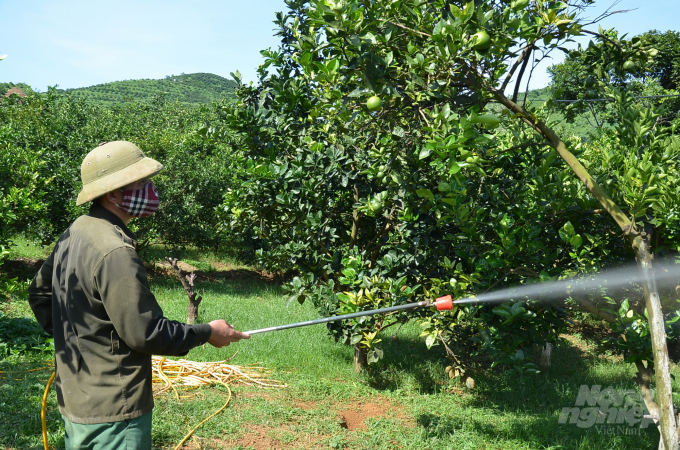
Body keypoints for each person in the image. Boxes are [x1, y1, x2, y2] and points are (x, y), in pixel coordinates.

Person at [28, 141, 249, 449]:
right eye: (142, 183)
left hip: (78, 400)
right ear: (113, 193)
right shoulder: (115, 250)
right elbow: (145, 333)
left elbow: (39, 294)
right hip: (115, 412)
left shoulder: (77, 230)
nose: (152, 190)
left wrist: (82, 342)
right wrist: (208, 332)